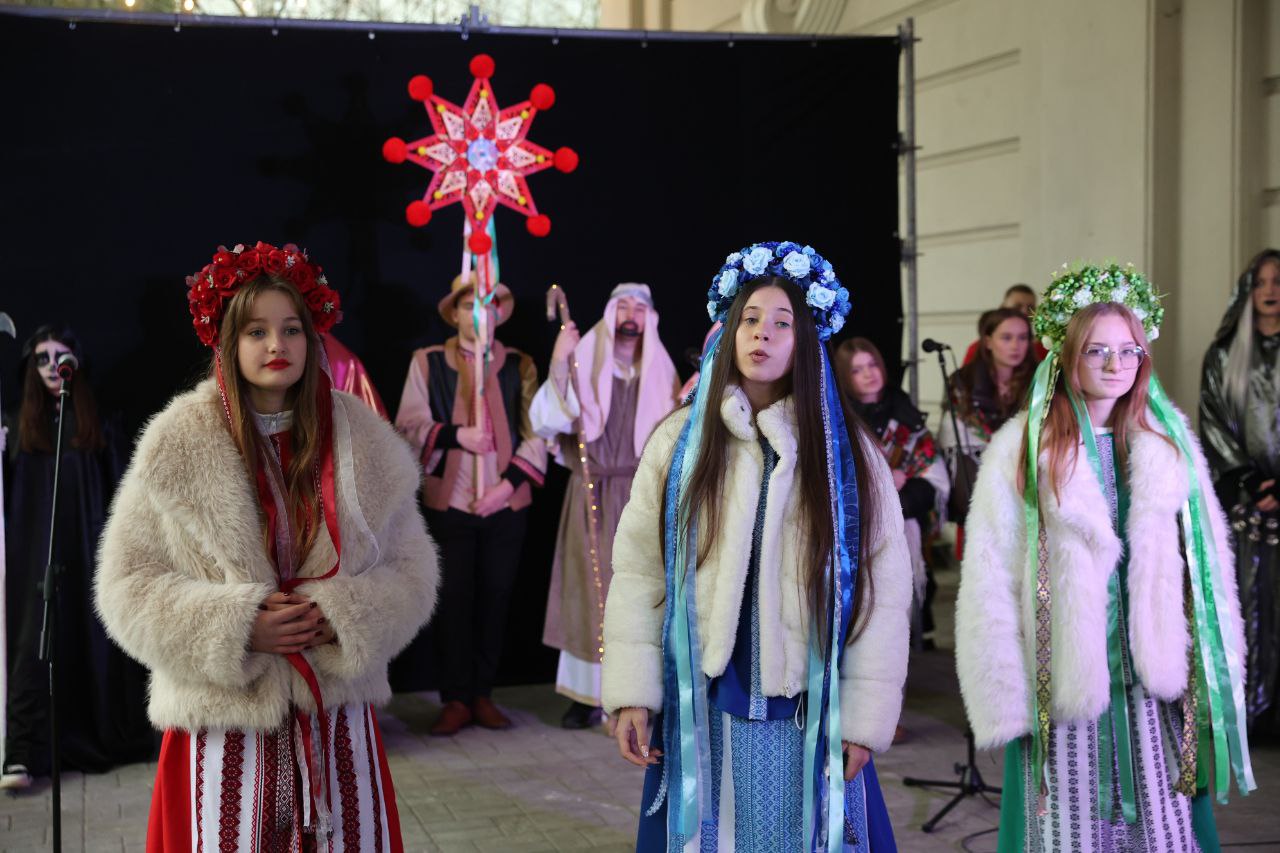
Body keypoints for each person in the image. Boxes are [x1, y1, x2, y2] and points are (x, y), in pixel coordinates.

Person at [95, 242, 438, 849]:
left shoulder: (362, 439)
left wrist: (341, 616)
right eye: (256, 331)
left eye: (291, 329)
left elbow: (413, 571)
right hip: (224, 726)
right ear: (228, 342)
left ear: (311, 337)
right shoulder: (178, 442)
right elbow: (127, 586)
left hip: (335, 724)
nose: (276, 345)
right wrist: (238, 626)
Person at [603, 242, 912, 851]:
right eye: (749, 319)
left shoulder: (847, 453)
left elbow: (883, 589)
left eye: (780, 322)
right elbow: (639, 571)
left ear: (808, 341)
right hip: (704, 706)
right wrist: (633, 692)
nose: (761, 334)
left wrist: (865, 716)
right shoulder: (679, 443)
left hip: (806, 710)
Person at [956, 264, 1255, 850]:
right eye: (1097, 351)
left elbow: (1208, 570)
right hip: (1065, 687)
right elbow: (989, 577)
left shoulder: (1168, 446)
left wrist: (1209, 673)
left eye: (1129, 350)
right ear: (1065, 356)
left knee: (1162, 830)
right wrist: (1004, 696)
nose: (1116, 364)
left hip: (1150, 688)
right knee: (1068, 833)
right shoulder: (1021, 450)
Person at [395, 273, 547, 736]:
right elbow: (409, 424)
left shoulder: (519, 365)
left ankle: (483, 693)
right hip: (451, 504)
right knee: (453, 602)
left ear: (499, 313)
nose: (479, 315)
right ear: (455, 314)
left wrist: (505, 488)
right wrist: (459, 435)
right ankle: (456, 698)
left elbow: (538, 431)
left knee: (496, 600)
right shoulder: (428, 362)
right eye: (468, 306)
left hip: (505, 504)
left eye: (487, 305)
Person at [1, 326, 152, 790]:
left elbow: (124, 493)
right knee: (34, 644)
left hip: (90, 550)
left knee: (94, 639)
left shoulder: (98, 425)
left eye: (60, 357)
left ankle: (105, 736)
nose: (51, 367)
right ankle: (25, 752)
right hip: (34, 558)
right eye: (42, 358)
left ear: (76, 363)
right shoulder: (17, 427)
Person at [529, 283, 681, 729]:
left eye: (640, 308)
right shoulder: (583, 362)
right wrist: (560, 362)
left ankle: (638, 695)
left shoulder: (661, 370)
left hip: (642, 494)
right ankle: (586, 695)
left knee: (642, 592)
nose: (631, 315)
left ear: (650, 318)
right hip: (591, 492)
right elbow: (546, 420)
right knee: (588, 588)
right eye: (624, 306)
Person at [1199, 247, 1280, 736]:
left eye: (1278, 281)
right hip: (1248, 503)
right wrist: (1249, 479)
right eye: (1262, 281)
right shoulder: (1225, 355)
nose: (1271, 290)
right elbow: (1212, 421)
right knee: (1248, 604)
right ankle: (1249, 711)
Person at [836, 336, 949, 647]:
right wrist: (883, 481)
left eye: (872, 365)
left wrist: (902, 485)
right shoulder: (840, 419)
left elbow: (933, 476)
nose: (868, 374)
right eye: (857, 370)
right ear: (845, 376)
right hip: (857, 527)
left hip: (904, 520)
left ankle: (915, 636)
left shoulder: (905, 413)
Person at [938, 307, 1034, 471]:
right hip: (973, 465)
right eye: (1006, 338)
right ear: (988, 342)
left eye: (1022, 338)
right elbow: (953, 433)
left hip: (1025, 465)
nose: (1015, 345)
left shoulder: (1040, 378)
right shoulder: (964, 380)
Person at [962, 283, 1047, 364]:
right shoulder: (978, 349)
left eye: (1030, 308)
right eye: (1017, 306)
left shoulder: (1043, 348)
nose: (1024, 312)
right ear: (1002, 308)